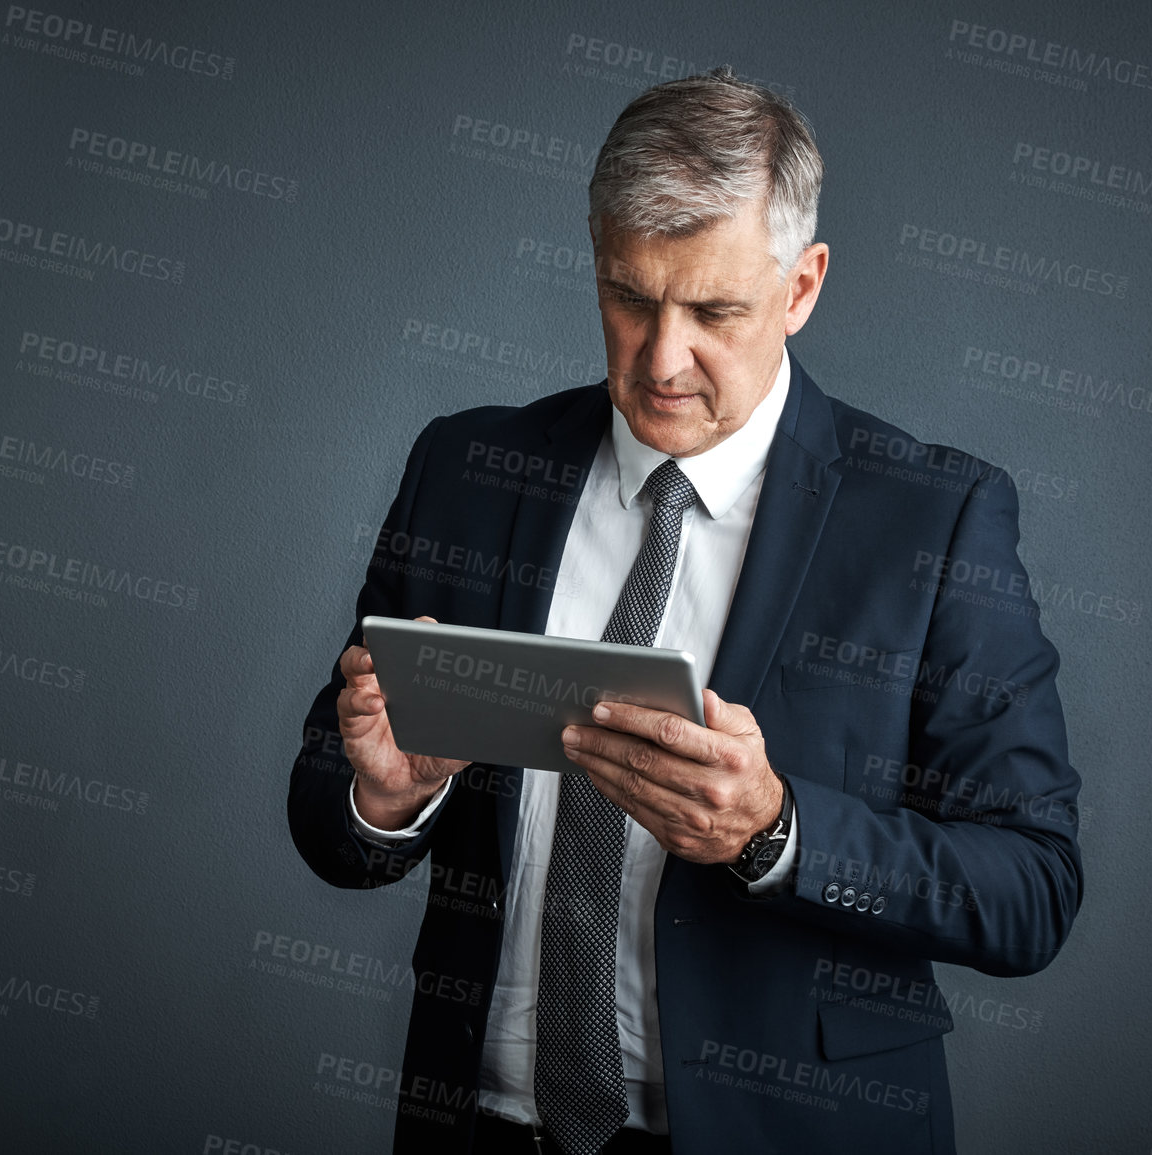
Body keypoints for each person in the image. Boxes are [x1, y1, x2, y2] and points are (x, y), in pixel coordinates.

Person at [289, 66, 1082, 1155]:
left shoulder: (935, 521)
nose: (663, 361)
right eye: (630, 298)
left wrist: (777, 833)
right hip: (478, 1130)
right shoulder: (469, 469)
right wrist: (385, 799)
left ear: (801, 287)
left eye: (715, 310)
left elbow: (1033, 887)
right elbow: (328, 804)